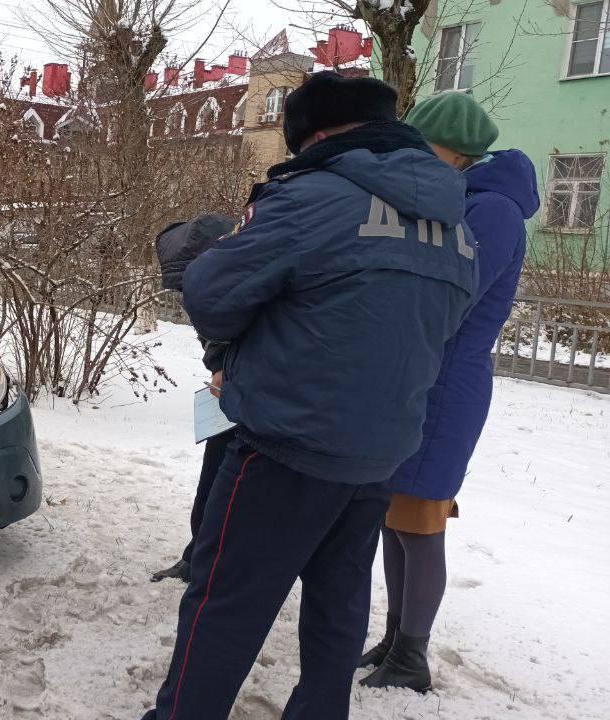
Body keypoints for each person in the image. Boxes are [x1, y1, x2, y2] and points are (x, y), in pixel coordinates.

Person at [142, 71, 478, 720]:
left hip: (286, 446)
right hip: (381, 453)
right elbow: (440, 323)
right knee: (338, 604)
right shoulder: (454, 222)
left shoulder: (313, 197)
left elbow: (211, 293)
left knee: (226, 602)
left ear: (319, 134)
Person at [358, 92, 539, 692]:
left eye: (422, 143)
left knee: (420, 518)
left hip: (447, 382)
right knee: (394, 516)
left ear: (452, 150)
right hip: (421, 373)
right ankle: (394, 636)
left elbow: (451, 296)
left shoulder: (493, 212)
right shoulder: (461, 200)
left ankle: (412, 655)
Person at [151, 213, 237, 584]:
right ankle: (197, 556)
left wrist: (226, 364)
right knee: (213, 477)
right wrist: (218, 362)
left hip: (256, 397)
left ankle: (216, 563)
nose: (185, 301)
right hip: (226, 394)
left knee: (231, 486)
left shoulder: (245, 276)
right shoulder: (211, 283)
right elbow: (211, 327)